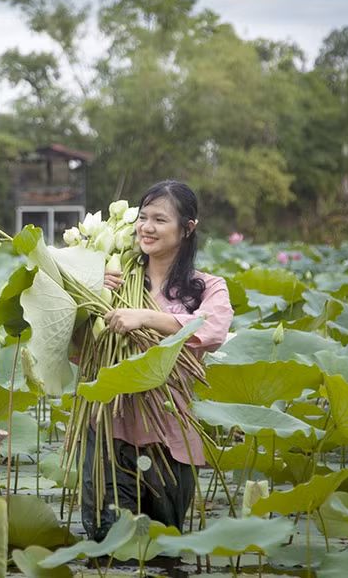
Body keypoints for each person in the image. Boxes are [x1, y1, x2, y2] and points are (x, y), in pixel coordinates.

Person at [80, 179, 234, 541]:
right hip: (109, 430)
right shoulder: (114, 278)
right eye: (143, 217)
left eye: (160, 220)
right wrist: (87, 292)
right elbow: (78, 348)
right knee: (109, 549)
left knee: (163, 550)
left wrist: (145, 317)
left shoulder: (208, 288)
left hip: (170, 435)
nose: (147, 228)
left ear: (188, 228)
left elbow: (211, 331)